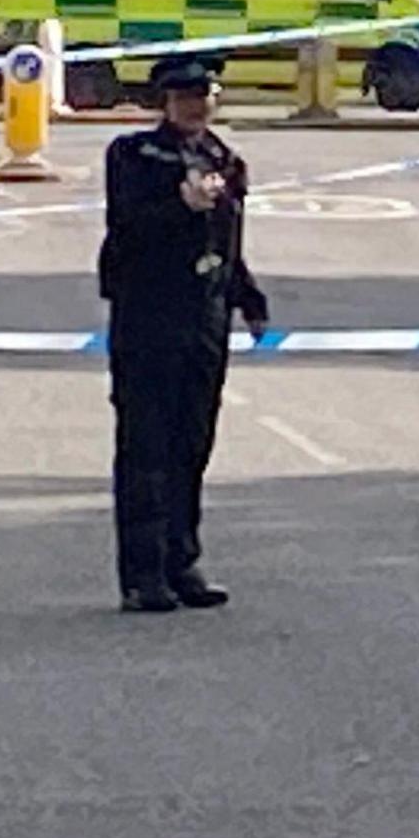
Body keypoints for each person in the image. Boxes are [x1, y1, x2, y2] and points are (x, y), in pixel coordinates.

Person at [99, 55, 268, 613]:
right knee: (146, 442)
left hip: (205, 314)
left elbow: (228, 239)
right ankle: (143, 574)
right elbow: (128, 224)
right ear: (164, 103)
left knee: (192, 441)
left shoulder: (223, 159)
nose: (197, 106)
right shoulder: (135, 156)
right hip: (149, 312)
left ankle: (183, 561)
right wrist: (179, 203)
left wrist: (247, 295)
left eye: (204, 96)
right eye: (184, 97)